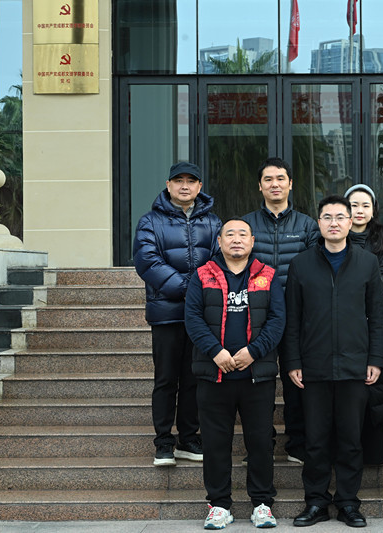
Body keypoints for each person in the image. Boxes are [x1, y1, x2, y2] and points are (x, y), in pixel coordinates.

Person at [284, 195, 383, 528]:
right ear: (319, 223)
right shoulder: (301, 264)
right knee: (314, 440)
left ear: (350, 221)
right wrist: (293, 360)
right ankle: (315, 502)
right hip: (313, 367)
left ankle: (347, 503)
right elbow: (292, 319)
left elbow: (377, 316)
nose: (334, 223)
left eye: (340, 217)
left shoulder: (367, 263)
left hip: (355, 366)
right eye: (327, 217)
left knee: (350, 440)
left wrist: (376, 359)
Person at [184, 217, 285, 529]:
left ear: (253, 241)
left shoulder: (268, 275)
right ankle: (219, 505)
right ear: (219, 241)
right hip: (214, 376)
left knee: (260, 442)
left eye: (243, 234)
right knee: (215, 444)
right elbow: (193, 318)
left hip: (257, 376)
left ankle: (262, 504)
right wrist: (216, 352)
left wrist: (253, 351)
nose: (236, 239)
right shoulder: (203, 274)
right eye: (230, 234)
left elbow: (277, 320)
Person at [133, 161, 221, 467]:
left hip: (201, 317)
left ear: (199, 187)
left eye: (191, 181)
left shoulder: (213, 223)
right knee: (166, 379)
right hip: (166, 314)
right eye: (178, 180)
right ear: (168, 185)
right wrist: (190, 288)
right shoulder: (150, 221)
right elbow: (147, 261)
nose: (185, 186)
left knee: (194, 379)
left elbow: (220, 261)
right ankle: (163, 442)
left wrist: (199, 294)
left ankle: (188, 438)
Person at [242, 157, 319, 464]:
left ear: (290, 184)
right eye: (268, 179)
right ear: (259, 186)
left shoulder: (307, 225)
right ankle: (260, 445)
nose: (275, 184)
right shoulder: (247, 225)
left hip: (295, 316)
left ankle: (297, 444)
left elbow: (314, 271)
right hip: (253, 314)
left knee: (295, 381)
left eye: (280, 179)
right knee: (255, 384)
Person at [345, 183, 383, 465]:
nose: (359, 210)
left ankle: (373, 453)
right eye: (354, 205)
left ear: (373, 210)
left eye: (365, 205)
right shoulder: (334, 238)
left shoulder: (380, 241)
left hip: (373, 320)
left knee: (373, 388)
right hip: (342, 324)